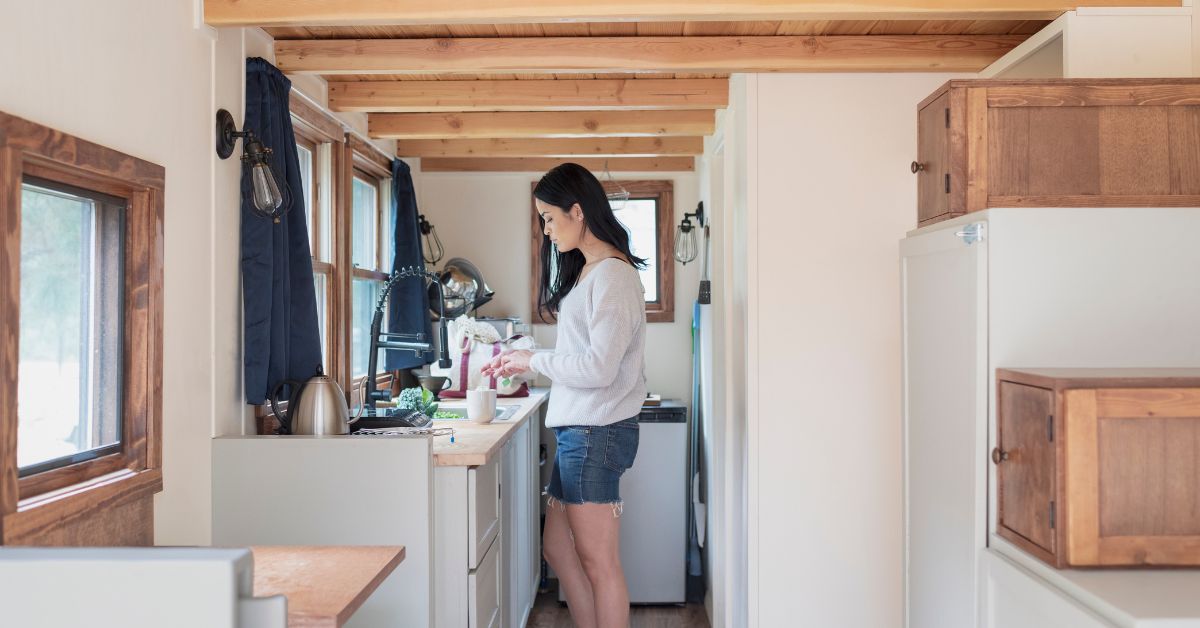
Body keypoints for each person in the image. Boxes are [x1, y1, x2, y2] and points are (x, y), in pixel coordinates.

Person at [481, 163, 647, 628]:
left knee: (600, 563)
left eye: (550, 219)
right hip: (581, 430)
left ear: (577, 211)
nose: (547, 231)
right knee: (556, 546)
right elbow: (584, 354)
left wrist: (533, 362)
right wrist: (527, 354)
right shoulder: (591, 272)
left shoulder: (612, 277)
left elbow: (598, 369)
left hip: (597, 433)